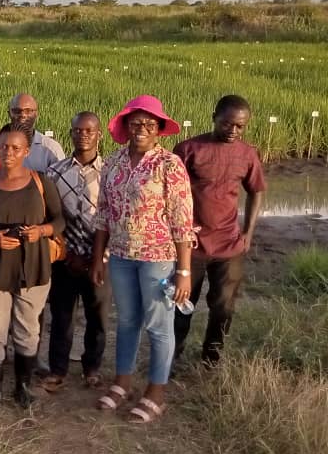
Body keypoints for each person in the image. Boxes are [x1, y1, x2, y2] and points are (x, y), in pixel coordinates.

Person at [90, 95, 195, 424]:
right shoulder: (114, 163)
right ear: (125, 126)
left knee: (159, 325)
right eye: (135, 124)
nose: (142, 129)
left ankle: (156, 392)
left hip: (158, 258)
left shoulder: (169, 165)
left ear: (160, 129)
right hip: (121, 256)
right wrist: (99, 258)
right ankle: (122, 382)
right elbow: (103, 215)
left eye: (150, 124)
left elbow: (182, 220)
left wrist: (184, 271)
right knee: (127, 321)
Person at [0, 123, 64, 407]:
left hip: (33, 268)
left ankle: (22, 383)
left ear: (27, 151)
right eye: (4, 146)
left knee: (27, 329)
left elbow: (59, 220)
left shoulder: (41, 183)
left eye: (16, 148)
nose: (9, 152)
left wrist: (41, 232)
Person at [173, 95, 266, 368]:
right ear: (214, 117)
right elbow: (172, 194)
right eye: (227, 124)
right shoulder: (189, 149)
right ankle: (171, 358)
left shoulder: (247, 154)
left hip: (229, 245)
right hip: (191, 244)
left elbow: (257, 190)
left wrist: (248, 232)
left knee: (223, 307)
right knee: (181, 305)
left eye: (240, 126)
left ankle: (211, 360)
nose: (233, 131)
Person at [43, 112, 109, 391]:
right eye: (78, 130)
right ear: (70, 134)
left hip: (99, 258)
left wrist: (99, 257)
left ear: (99, 135)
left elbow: (113, 217)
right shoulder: (55, 172)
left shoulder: (111, 172)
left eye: (89, 130)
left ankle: (91, 367)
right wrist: (65, 252)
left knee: (98, 315)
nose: (83, 135)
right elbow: (48, 214)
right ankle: (58, 369)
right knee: (62, 316)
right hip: (65, 257)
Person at [0, 93, 66, 171]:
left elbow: (60, 180)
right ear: (9, 113)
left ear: (36, 114)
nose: (23, 115)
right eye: (17, 111)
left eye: (28, 111)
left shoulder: (51, 148)